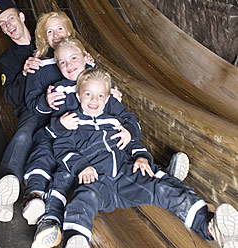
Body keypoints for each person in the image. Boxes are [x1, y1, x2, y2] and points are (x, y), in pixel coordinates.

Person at [35, 68, 238, 248]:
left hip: (125, 177)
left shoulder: (114, 122)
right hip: (96, 182)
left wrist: (142, 158)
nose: (94, 100)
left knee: (162, 189)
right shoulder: (73, 122)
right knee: (82, 201)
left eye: (100, 95)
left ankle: (210, 228)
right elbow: (62, 148)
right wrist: (82, 167)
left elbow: (132, 145)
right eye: (88, 94)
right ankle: (76, 238)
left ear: (107, 99)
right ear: (79, 96)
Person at [27, 38, 189, 247]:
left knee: (126, 152)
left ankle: (163, 175)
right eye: (63, 63)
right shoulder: (60, 91)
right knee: (63, 173)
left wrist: (128, 130)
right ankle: (50, 220)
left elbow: (124, 120)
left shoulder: (103, 86)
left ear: (86, 58)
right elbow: (55, 131)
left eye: (74, 59)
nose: (68, 65)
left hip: (105, 151)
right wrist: (58, 121)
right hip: (75, 148)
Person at [0, 0, 46, 222]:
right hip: (32, 108)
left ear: (21, 17)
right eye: (2, 24)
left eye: (10, 18)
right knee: (24, 135)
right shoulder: (8, 60)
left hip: (61, 102)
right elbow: (10, 97)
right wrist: (24, 74)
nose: (7, 25)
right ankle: (8, 183)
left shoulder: (46, 38)